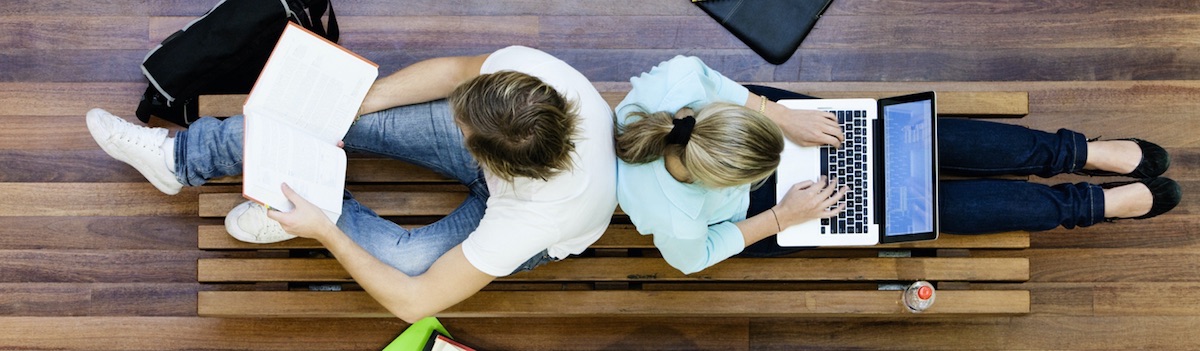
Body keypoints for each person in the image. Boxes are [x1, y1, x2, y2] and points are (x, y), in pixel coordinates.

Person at [85, 46, 617, 322]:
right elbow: (457, 69)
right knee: (335, 117)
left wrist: (326, 231)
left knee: (407, 263)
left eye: (462, 127)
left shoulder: (535, 217)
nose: (452, 119)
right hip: (520, 162)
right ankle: (178, 158)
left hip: (533, 224)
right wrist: (359, 105)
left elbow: (416, 301)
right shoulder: (531, 80)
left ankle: (309, 211)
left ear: (484, 154)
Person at [614, 55, 1181, 275]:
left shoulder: (676, 87)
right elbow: (696, 258)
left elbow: (719, 86)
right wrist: (783, 218)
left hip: (769, 122)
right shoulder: (671, 216)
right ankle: (1085, 205)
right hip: (765, 211)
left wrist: (783, 119)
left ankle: (1075, 152)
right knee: (914, 208)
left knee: (914, 143)